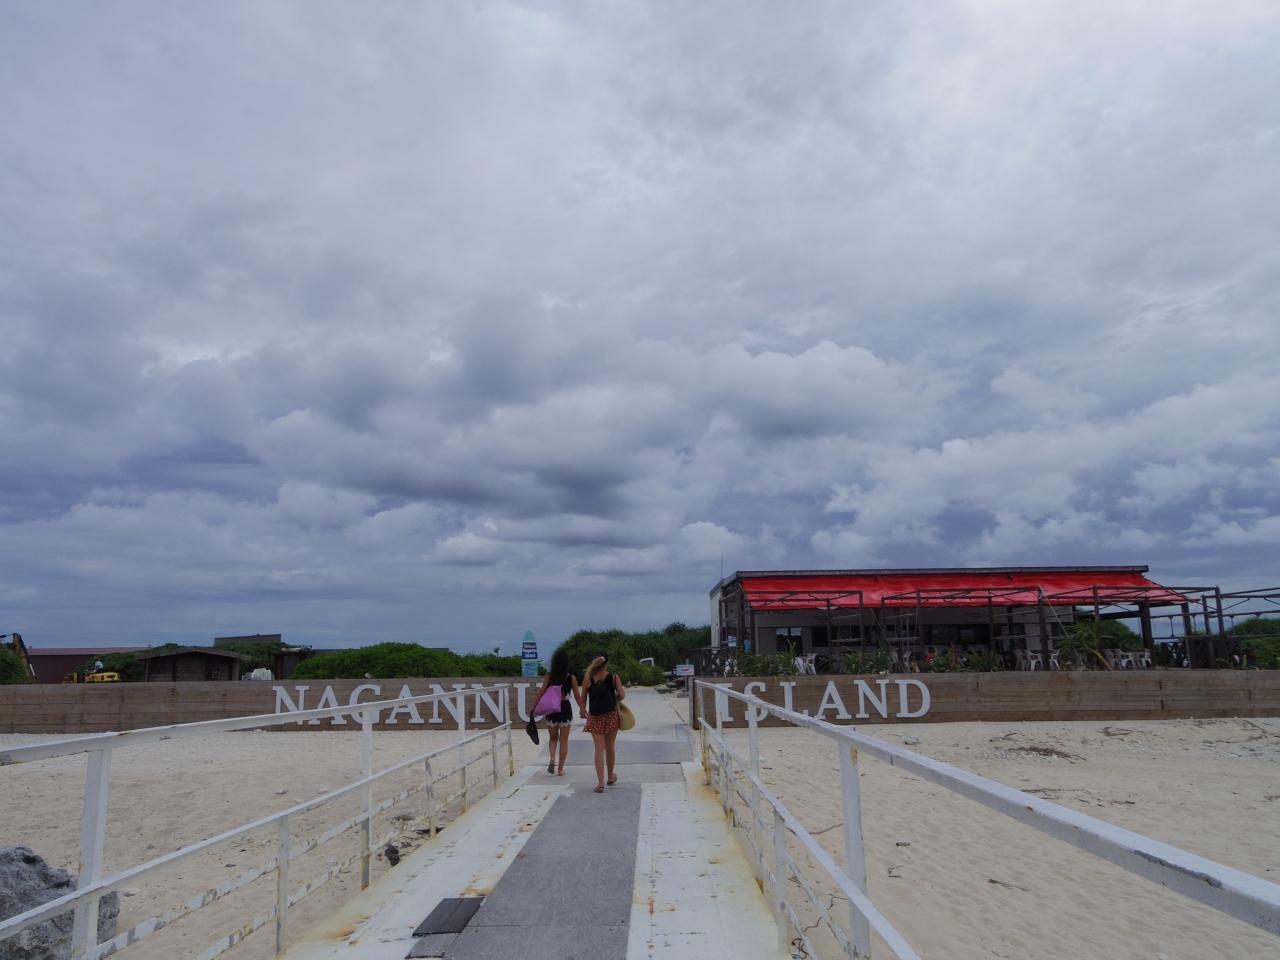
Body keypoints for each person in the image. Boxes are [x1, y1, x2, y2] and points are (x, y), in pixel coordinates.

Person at [531, 650, 583, 775]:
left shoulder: (549, 676)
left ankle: (552, 758)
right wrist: (583, 709)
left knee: (553, 738)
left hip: (552, 709)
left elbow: (541, 692)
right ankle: (560, 769)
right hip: (565, 708)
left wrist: (534, 707)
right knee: (564, 741)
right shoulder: (571, 678)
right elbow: (577, 696)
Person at [582, 654, 625, 794]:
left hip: (595, 717)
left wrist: (582, 710)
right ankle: (611, 776)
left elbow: (583, 698)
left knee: (598, 750)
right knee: (610, 748)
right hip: (611, 715)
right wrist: (615, 699)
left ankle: (600, 784)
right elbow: (622, 694)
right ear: (606, 663)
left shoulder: (588, 678)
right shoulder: (614, 677)